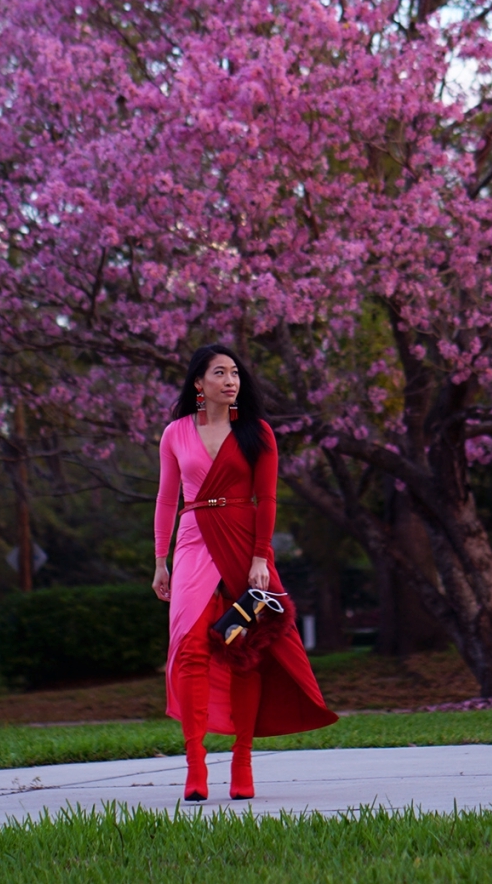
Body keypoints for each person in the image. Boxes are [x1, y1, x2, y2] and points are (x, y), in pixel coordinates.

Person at [153, 343, 337, 802]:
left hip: (243, 544)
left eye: (235, 373)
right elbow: (165, 499)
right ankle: (195, 767)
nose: (231, 381)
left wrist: (260, 556)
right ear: (199, 383)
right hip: (194, 540)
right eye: (219, 373)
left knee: (244, 650)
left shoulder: (258, 432)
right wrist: (160, 559)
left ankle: (242, 762)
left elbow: (268, 499)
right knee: (191, 649)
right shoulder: (175, 433)